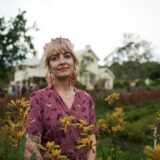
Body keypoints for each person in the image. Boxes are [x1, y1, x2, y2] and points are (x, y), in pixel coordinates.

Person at [25, 38, 97, 160]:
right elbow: (31, 147)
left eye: (67, 56)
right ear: (49, 66)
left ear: (74, 61)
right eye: (54, 58)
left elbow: (91, 142)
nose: (62, 61)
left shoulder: (86, 99)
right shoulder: (38, 98)